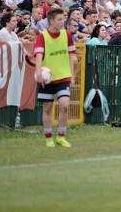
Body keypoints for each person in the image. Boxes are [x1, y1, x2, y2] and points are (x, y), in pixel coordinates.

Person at [34, 8, 77, 148]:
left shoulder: (67, 35)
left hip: (64, 76)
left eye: (63, 18)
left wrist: (72, 76)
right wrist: (38, 72)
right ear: (51, 21)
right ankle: (48, 138)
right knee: (47, 108)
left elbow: (73, 56)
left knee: (64, 105)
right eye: (59, 19)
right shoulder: (42, 36)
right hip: (48, 78)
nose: (62, 21)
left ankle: (61, 136)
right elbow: (39, 56)